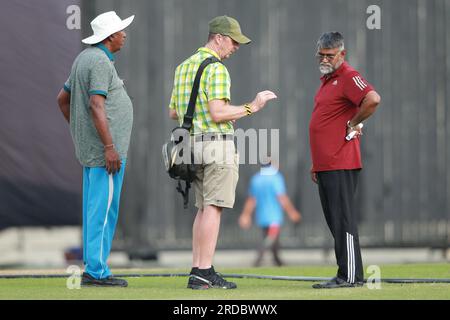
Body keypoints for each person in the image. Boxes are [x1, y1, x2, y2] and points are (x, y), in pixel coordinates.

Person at [168, 15, 277, 290]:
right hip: (216, 146)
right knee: (214, 207)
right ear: (218, 37)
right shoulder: (216, 69)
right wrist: (252, 106)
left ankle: (198, 269)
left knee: (202, 208)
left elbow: (173, 112)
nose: (236, 47)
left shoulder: (183, 67)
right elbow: (218, 112)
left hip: (191, 146)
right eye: (233, 41)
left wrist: (219, 114)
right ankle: (204, 271)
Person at [56, 11, 135, 287]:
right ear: (110, 36)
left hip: (95, 151)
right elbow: (96, 104)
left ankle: (93, 268)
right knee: (103, 211)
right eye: (121, 31)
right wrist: (109, 146)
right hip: (106, 156)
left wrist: (83, 134)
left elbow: (62, 99)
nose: (124, 34)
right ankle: (97, 272)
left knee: (95, 210)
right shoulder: (99, 61)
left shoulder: (84, 58)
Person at [309, 32, 381, 289]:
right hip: (327, 164)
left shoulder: (348, 76)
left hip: (341, 162)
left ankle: (350, 276)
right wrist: (316, 164)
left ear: (342, 54)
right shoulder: (328, 80)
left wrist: (354, 122)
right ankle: (346, 273)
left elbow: (372, 99)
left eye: (330, 55)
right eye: (322, 54)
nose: (325, 59)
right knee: (335, 221)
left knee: (343, 220)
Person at [238, 161, 301, 267]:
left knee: (272, 239)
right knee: (271, 239)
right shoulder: (276, 177)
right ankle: (259, 259)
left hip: (262, 216)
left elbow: (252, 200)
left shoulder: (256, 178)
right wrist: (292, 212)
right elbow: (281, 197)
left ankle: (278, 261)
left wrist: (246, 215)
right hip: (274, 216)